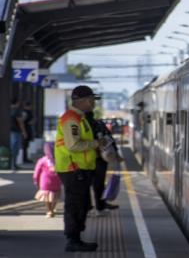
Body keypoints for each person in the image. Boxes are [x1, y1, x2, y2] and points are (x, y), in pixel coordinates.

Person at [54, 85, 106, 252]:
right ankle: (73, 240)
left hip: (80, 168)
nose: (93, 103)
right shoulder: (71, 119)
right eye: (90, 100)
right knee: (76, 205)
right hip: (73, 168)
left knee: (82, 204)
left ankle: (76, 238)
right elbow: (73, 145)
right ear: (80, 101)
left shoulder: (81, 118)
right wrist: (96, 144)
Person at [85, 111, 122, 215]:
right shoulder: (99, 124)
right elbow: (109, 139)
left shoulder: (80, 126)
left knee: (85, 185)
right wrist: (116, 154)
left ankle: (87, 208)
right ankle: (100, 208)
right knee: (99, 185)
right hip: (100, 159)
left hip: (85, 159)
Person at [33, 142, 61, 218]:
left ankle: (49, 211)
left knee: (47, 197)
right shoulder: (59, 159)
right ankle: (53, 208)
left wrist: (36, 180)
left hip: (45, 182)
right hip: (57, 181)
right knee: (55, 196)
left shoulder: (42, 160)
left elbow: (37, 172)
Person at [10, 99, 27, 170]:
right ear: (17, 102)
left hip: (10, 131)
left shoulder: (8, 109)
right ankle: (13, 164)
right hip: (16, 131)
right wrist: (24, 132)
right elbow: (20, 122)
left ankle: (12, 164)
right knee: (15, 148)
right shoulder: (17, 111)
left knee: (13, 148)